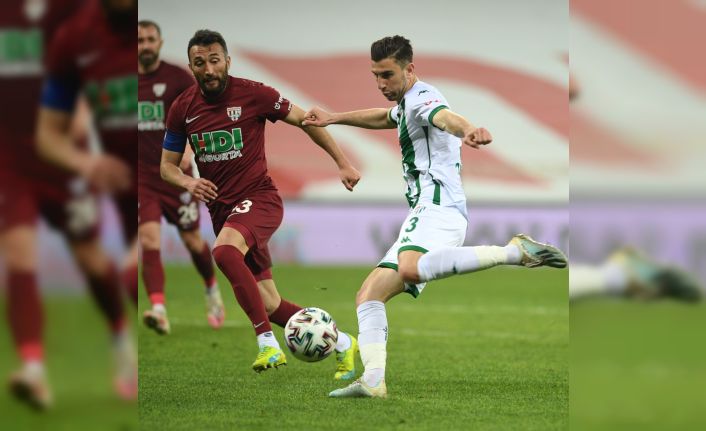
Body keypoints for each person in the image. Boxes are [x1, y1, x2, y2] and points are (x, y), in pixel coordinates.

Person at [301, 35, 568, 398]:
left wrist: (468, 129)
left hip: (437, 204)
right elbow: (385, 116)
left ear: (409, 70)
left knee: (410, 269)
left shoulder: (424, 98)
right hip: (427, 209)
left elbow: (445, 118)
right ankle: (374, 381)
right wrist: (334, 118)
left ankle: (514, 252)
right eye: (375, 75)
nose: (380, 83)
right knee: (369, 295)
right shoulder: (406, 102)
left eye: (387, 75)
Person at [160, 29, 361, 377]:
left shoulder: (254, 94)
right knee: (269, 303)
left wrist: (342, 162)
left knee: (225, 252)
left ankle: (267, 343)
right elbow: (166, 167)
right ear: (191, 67)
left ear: (227, 61)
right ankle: (343, 342)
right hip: (223, 212)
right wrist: (189, 181)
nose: (208, 69)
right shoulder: (183, 107)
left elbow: (306, 120)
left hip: (260, 199)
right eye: (199, 63)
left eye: (214, 60)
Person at [1, 0, 135, 410]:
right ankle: (33, 369)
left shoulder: (78, 11)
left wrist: (80, 112)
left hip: (62, 155)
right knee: (19, 253)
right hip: (10, 155)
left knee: (90, 258)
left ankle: (120, 335)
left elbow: (87, 69)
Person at [35, 0, 139, 306]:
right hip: (124, 190)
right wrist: (85, 163)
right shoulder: (74, 37)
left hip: (163, 181)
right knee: (132, 285)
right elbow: (48, 133)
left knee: (136, 273)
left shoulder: (152, 32)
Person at [138, 20, 224, 334]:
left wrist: (188, 149)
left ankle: (211, 286)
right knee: (149, 238)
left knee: (191, 240)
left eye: (150, 39)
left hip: (176, 176)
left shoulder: (177, 78)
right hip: (141, 178)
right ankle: (159, 309)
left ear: (160, 43)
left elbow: (198, 114)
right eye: (139, 40)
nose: (145, 45)